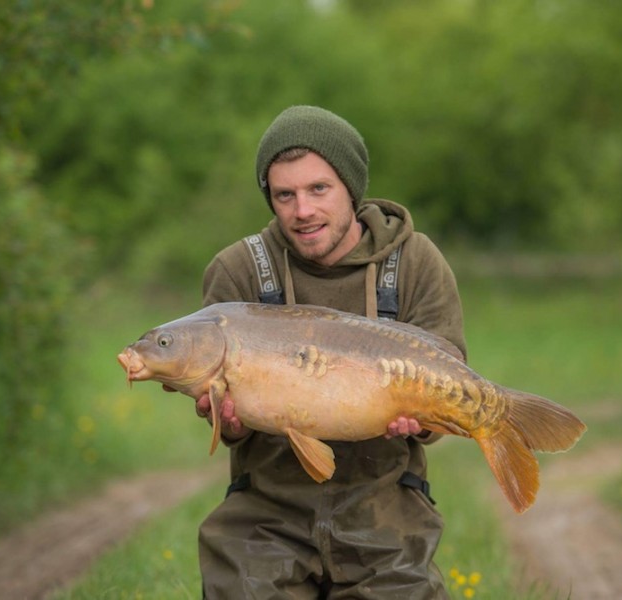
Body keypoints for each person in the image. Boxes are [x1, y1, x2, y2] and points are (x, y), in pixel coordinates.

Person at [193, 105, 466, 598]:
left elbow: (446, 401)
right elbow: (228, 427)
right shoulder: (238, 271)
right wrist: (226, 420)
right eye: (285, 195)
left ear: (350, 187)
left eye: (319, 189)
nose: (303, 211)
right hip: (267, 509)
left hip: (384, 504)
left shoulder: (416, 263)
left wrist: (422, 419)